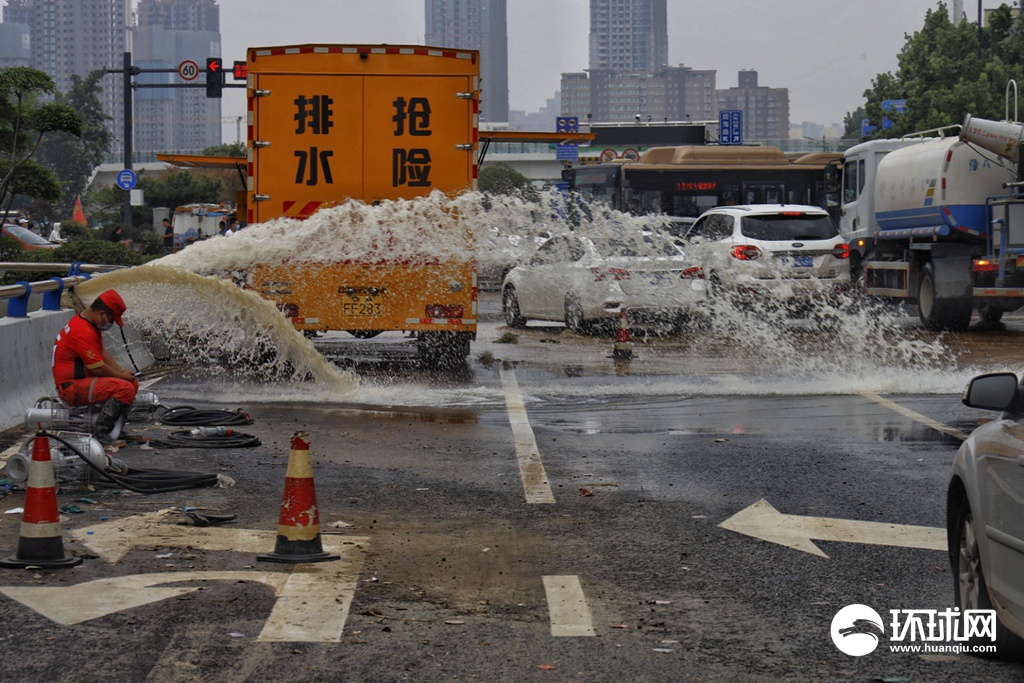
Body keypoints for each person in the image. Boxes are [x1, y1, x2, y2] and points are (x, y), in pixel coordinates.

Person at [51, 290, 139, 444]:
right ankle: (101, 432)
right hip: (71, 388)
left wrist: (120, 371)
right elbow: (97, 367)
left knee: (132, 383)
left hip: (81, 381)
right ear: (102, 314)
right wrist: (120, 376)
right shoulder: (82, 331)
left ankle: (115, 429)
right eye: (111, 319)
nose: (110, 323)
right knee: (124, 388)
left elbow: (101, 352)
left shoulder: (87, 324)